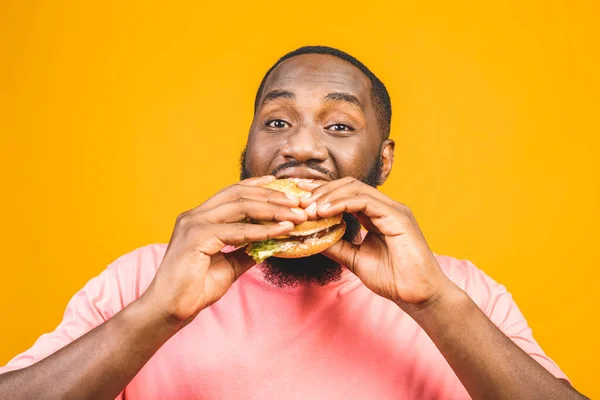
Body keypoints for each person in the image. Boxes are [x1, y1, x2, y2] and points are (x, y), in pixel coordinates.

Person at [0, 46, 588, 400]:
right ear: (248, 149)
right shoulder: (141, 281)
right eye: (277, 122)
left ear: (382, 160)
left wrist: (434, 302)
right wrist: (156, 313)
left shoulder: (460, 293)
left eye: (338, 126)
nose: (301, 148)